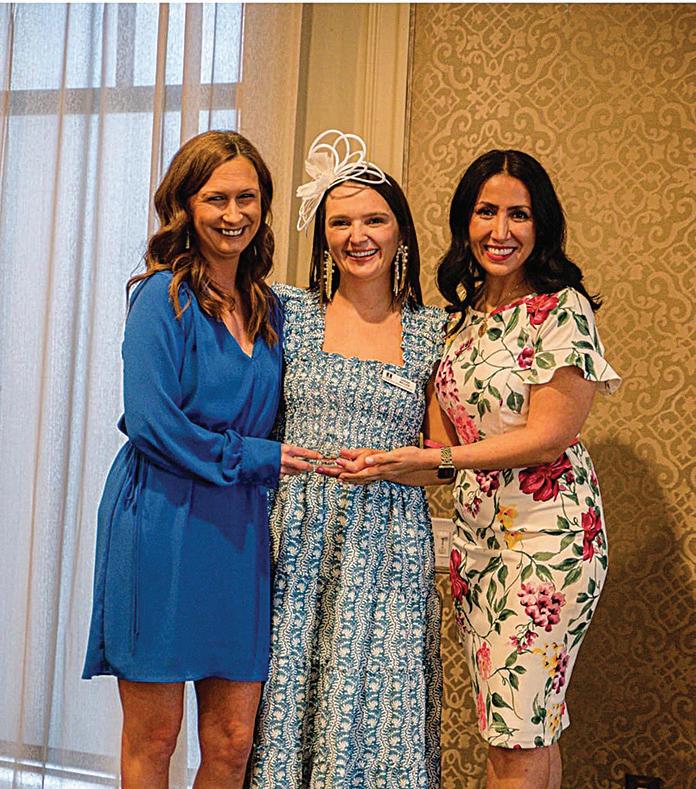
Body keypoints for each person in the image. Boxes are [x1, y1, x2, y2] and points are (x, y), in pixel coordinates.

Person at [342, 150, 620, 789]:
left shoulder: (562, 308)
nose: (501, 230)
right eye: (486, 211)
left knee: (514, 739)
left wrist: (436, 458)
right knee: (529, 728)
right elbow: (439, 450)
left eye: (518, 214)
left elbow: (549, 437)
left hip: (548, 542)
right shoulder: (460, 322)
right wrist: (371, 463)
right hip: (477, 546)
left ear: (541, 224)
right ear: (465, 221)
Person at [82, 130, 317, 789]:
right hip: (160, 521)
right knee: (155, 738)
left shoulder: (269, 307)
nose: (233, 213)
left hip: (238, 531)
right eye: (217, 198)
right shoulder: (160, 298)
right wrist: (258, 456)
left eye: (247, 198)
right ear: (185, 205)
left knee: (233, 742)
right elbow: (151, 423)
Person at [249, 130, 453, 788]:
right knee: (284, 705)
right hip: (295, 537)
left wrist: (395, 464)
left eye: (374, 220)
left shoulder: (433, 330)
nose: (357, 235)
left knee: (376, 713)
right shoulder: (286, 311)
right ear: (323, 235)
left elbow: (442, 461)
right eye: (340, 222)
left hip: (388, 544)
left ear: (400, 232)